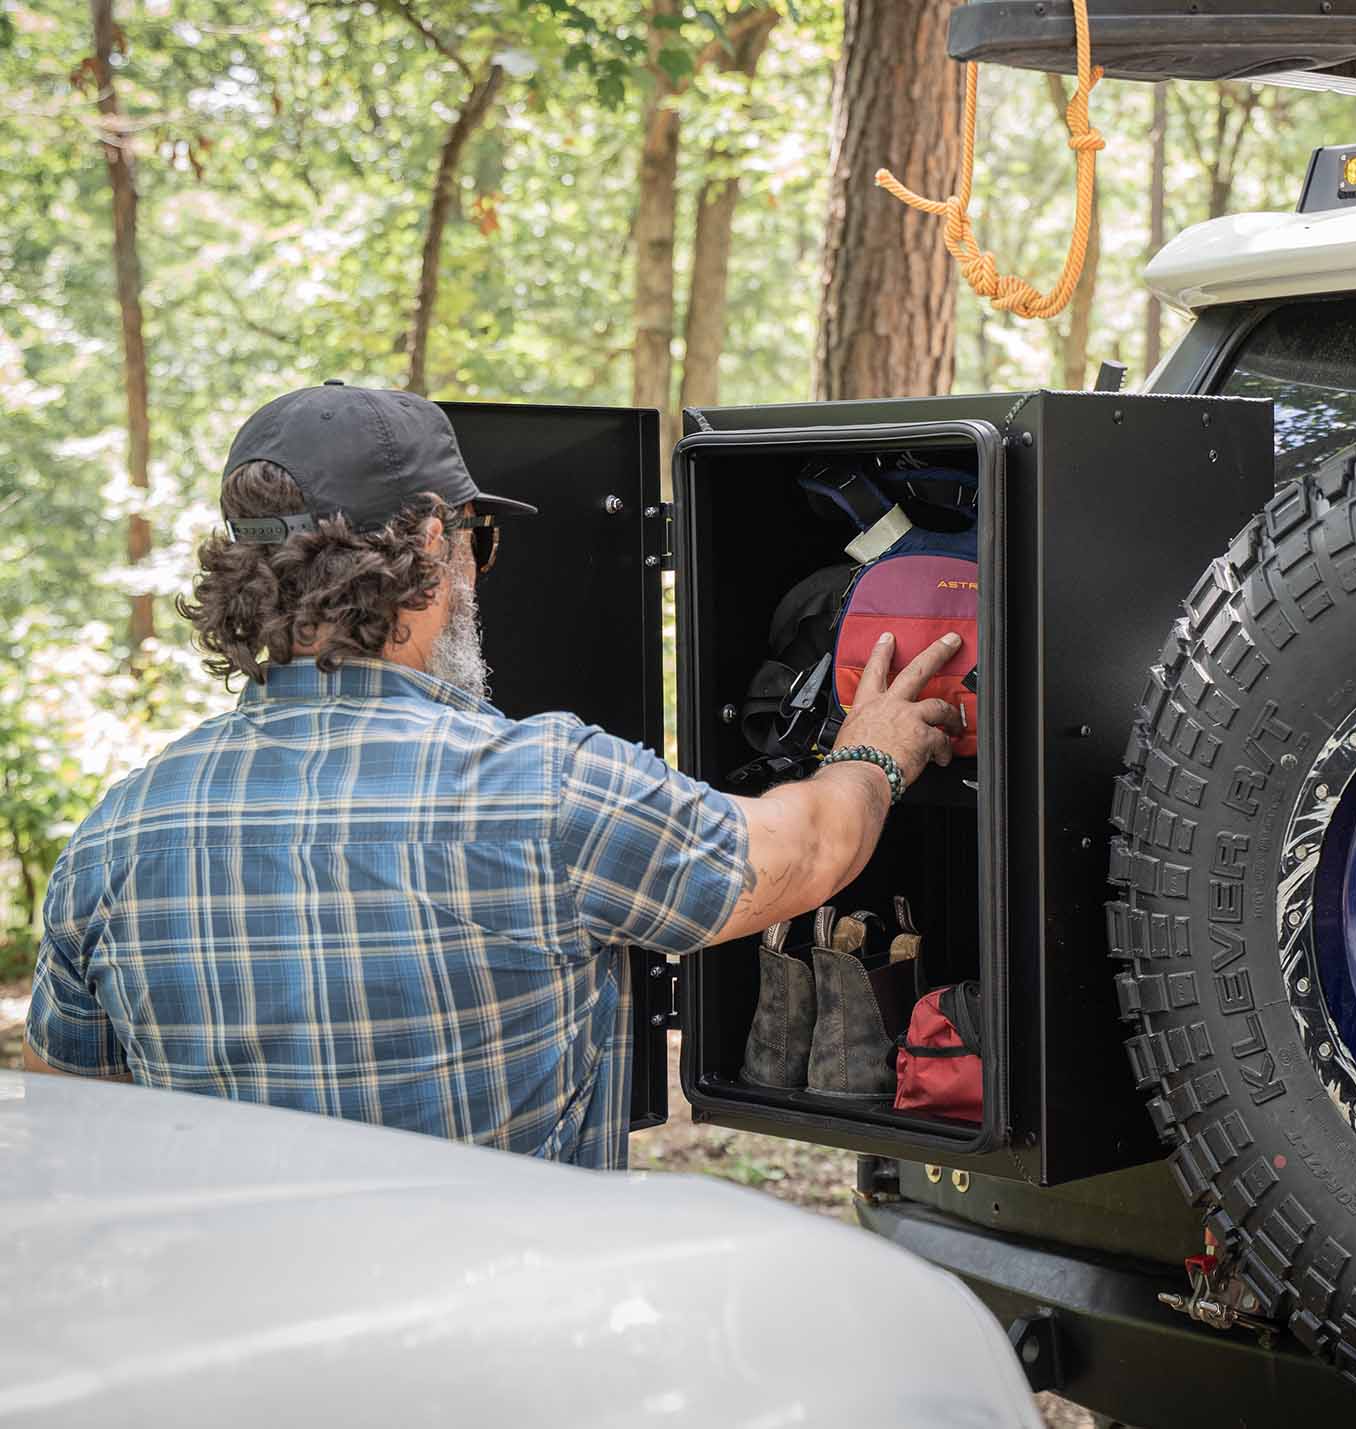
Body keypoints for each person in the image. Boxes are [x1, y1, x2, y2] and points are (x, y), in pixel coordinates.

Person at [23, 383, 962, 1168]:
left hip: (246, 1366)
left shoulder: (117, 835)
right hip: (510, 1349)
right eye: (479, 537)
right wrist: (870, 750)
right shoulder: (548, 791)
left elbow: (77, 1131)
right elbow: (803, 854)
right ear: (433, 543)